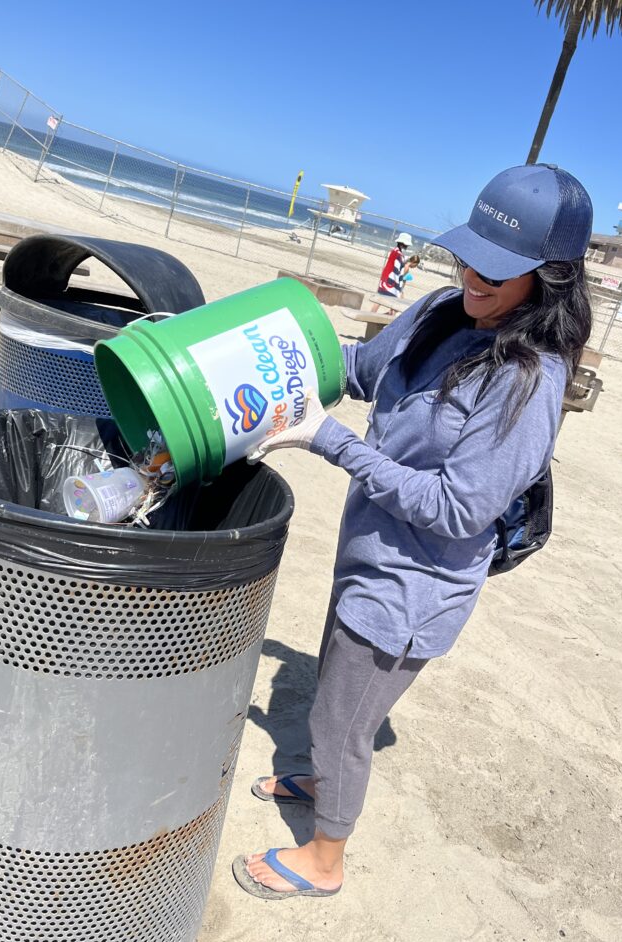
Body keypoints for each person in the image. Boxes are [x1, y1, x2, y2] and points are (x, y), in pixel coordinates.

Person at [231, 163, 594, 901]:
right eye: (471, 255)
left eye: (501, 270)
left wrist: (330, 442)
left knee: (342, 719)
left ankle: (324, 862)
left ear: (551, 278)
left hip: (417, 583)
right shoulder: (442, 309)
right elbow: (362, 369)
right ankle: (320, 777)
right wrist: (268, 354)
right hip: (367, 548)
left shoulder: (528, 381)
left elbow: (460, 510)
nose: (476, 277)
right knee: (335, 682)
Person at [370, 231, 412, 312]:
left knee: (379, 299)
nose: (408, 246)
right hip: (391, 280)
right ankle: (390, 316)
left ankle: (371, 314)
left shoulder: (394, 251)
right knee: (394, 301)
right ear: (403, 243)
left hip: (386, 277)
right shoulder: (399, 254)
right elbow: (398, 270)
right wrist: (398, 285)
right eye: (407, 244)